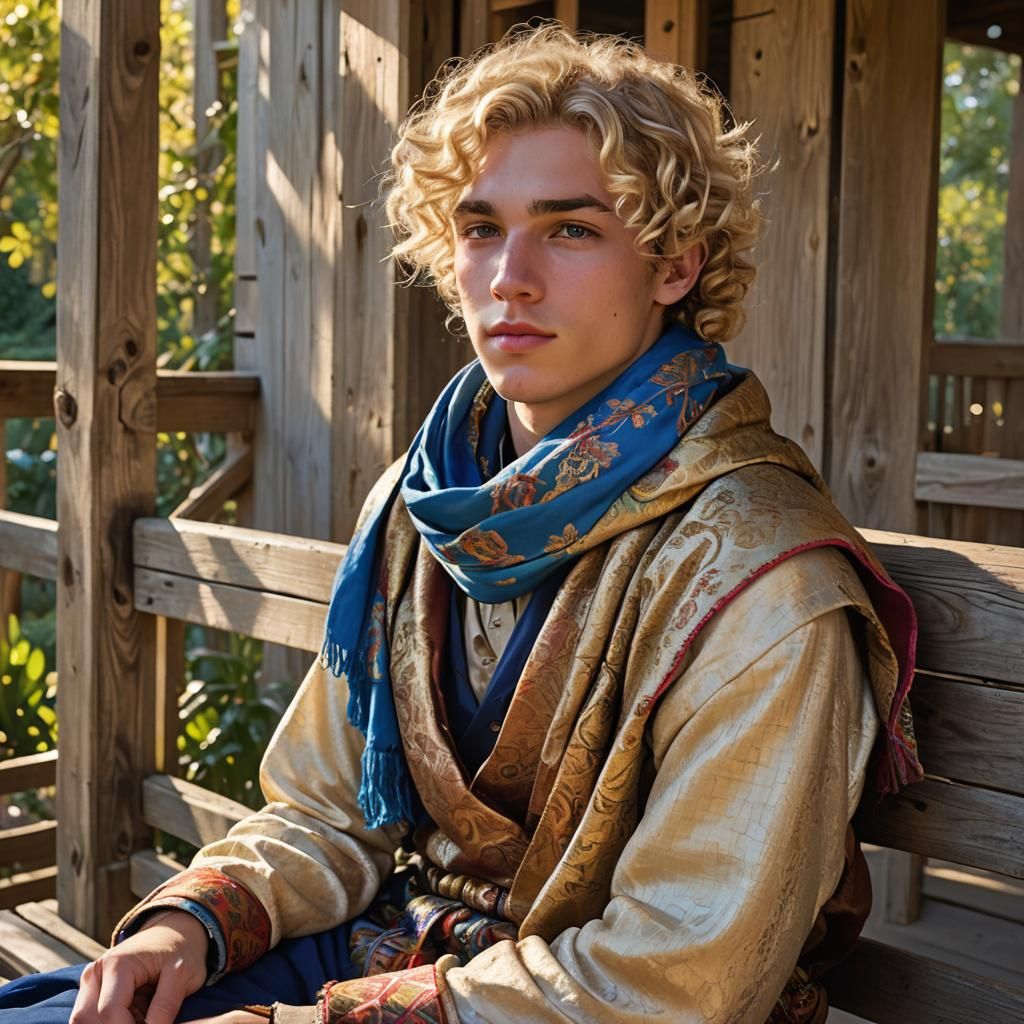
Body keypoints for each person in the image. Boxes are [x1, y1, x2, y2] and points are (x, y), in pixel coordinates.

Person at [0, 23, 922, 1024]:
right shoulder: (421, 497)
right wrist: (191, 923)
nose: (509, 275)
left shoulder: (761, 576)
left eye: (570, 230)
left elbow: (673, 980)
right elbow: (326, 810)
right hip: (395, 955)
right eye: (482, 227)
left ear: (673, 265)